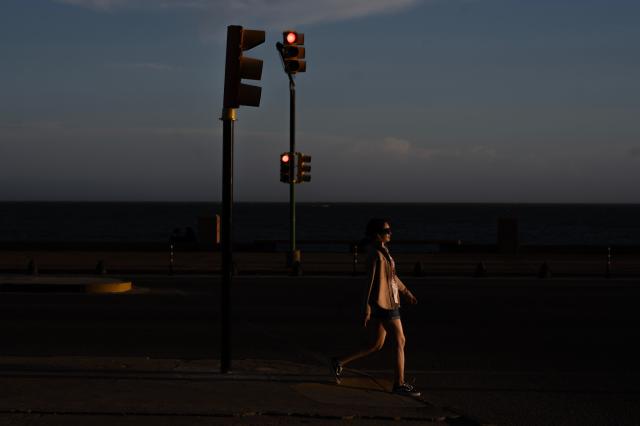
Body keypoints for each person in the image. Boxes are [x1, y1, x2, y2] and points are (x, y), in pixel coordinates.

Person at [330, 218, 420, 397]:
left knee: (376, 345)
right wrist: (366, 308)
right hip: (384, 304)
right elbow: (369, 283)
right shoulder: (375, 255)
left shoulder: (384, 251)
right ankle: (399, 384)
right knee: (400, 340)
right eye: (387, 231)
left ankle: (338, 361)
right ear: (378, 235)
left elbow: (392, 277)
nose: (390, 233)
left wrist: (406, 292)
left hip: (389, 301)